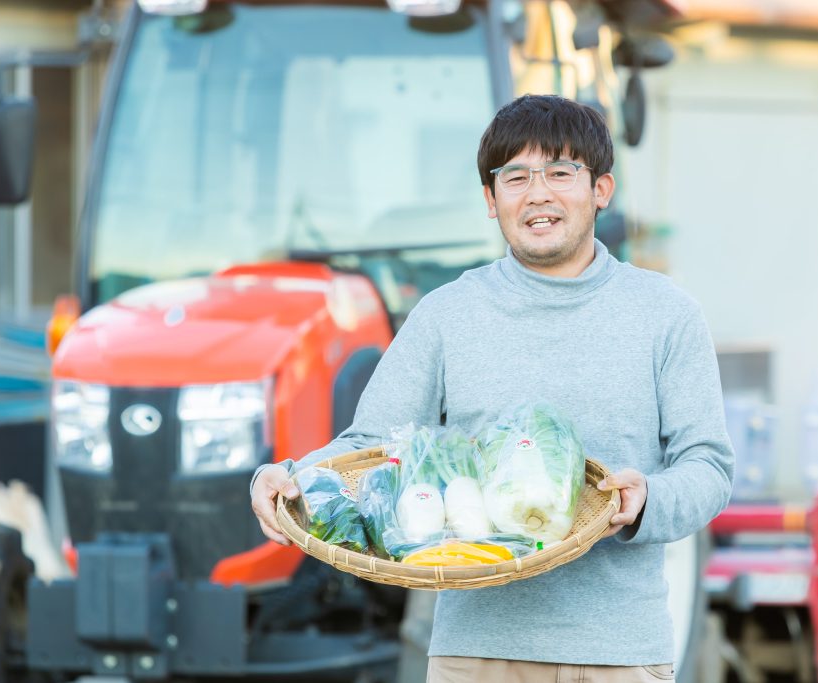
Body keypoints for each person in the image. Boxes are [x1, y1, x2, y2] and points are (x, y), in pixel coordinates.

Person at [251, 94, 734, 683]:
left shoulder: (666, 314)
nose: (538, 194)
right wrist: (290, 477)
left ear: (600, 190)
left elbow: (707, 464)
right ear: (490, 199)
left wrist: (645, 502)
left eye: (561, 173)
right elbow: (370, 443)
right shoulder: (447, 314)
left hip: (619, 654)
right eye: (516, 177)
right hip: (474, 654)